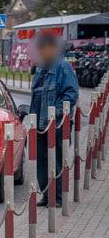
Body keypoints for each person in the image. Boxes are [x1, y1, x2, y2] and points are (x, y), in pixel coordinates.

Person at [29, 31, 78, 207]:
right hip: (40, 125)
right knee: (41, 160)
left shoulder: (63, 67)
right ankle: (46, 195)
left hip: (56, 124)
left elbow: (71, 94)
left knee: (56, 160)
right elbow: (36, 97)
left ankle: (57, 198)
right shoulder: (41, 69)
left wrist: (55, 112)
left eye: (44, 48)